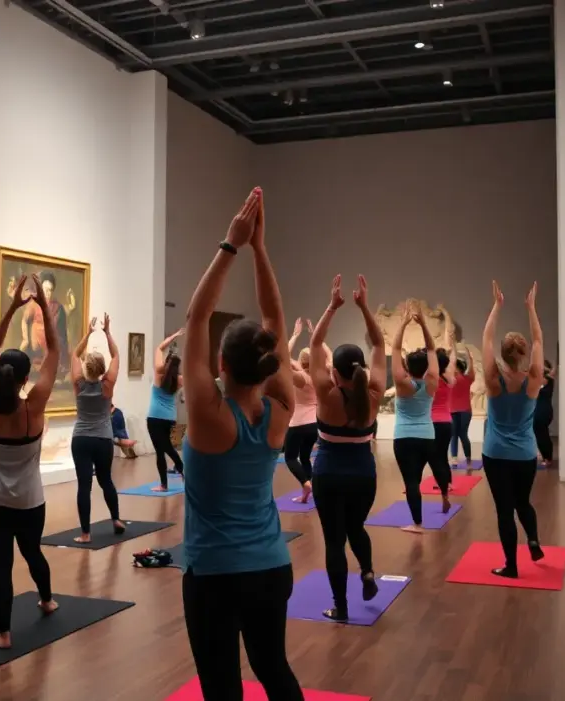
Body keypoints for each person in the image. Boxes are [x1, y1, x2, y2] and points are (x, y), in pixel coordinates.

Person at [181, 188, 303, 701]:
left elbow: (195, 319)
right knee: (274, 668)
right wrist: (260, 248)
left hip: (214, 574)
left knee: (222, 687)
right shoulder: (279, 413)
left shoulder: (209, 418)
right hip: (271, 567)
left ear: (222, 367)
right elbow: (275, 320)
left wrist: (231, 246)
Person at [0, 273, 59, 649]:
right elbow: (55, 353)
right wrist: (40, 303)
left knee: (0, 567)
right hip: (29, 502)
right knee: (32, 553)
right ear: (26, 377)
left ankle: (4, 634)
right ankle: (47, 599)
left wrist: (11, 306)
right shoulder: (34, 408)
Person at [308, 274, 386, 621]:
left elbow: (314, 342)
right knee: (356, 527)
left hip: (328, 476)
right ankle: (367, 571)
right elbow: (381, 347)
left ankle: (340, 607)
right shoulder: (373, 395)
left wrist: (332, 306)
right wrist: (364, 307)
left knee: (334, 541)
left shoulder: (326, 395)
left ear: (334, 372)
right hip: (363, 476)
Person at [481, 281, 546, 578]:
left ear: (504, 354)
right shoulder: (534, 380)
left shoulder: (494, 380)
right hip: (524, 454)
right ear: (522, 354)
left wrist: (497, 305)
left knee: (504, 510)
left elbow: (486, 340)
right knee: (523, 502)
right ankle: (532, 540)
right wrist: (531, 308)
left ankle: (511, 565)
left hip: (496, 454)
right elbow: (539, 340)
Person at [392, 303, 449, 533]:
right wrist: (424, 325)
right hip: (427, 436)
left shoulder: (402, 383)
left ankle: (417, 523)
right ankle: (445, 495)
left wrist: (404, 323)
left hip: (404, 437)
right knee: (436, 466)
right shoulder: (432, 381)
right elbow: (433, 351)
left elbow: (395, 349)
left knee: (412, 481)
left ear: (408, 365)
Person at [70, 314, 123, 543]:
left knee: (84, 485)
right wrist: (107, 331)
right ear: (101, 369)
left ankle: (85, 534)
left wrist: (89, 333)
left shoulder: (78, 384)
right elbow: (117, 355)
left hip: (81, 438)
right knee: (106, 480)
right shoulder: (107, 385)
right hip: (103, 439)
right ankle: (116, 520)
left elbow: (74, 353)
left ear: (86, 367)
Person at [284, 318, 320, 503]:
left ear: (301, 361)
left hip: (298, 423)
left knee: (290, 457)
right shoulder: (318, 374)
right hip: (314, 424)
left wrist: (296, 335)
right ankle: (308, 492)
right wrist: (314, 336)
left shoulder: (300, 377)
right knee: (305, 457)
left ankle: (306, 483)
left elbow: (282, 356)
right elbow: (320, 354)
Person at [146, 329, 185, 491]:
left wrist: (172, 337)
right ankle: (180, 469)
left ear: (166, 363)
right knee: (166, 446)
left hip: (155, 416)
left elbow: (159, 349)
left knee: (160, 450)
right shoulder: (180, 380)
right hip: (169, 417)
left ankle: (164, 484)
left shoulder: (158, 373)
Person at [430, 343, 456, 486]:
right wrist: (452, 351)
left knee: (436, 456)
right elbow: (451, 363)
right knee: (443, 455)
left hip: (435, 423)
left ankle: (442, 483)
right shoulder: (449, 379)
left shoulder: (432, 380)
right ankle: (448, 482)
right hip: (447, 422)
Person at [449, 348, 477, 467]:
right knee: (455, 434)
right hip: (456, 411)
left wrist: (469, 357)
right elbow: (452, 364)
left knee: (461, 434)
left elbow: (470, 369)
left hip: (463, 411)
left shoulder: (464, 378)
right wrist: (468, 357)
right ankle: (457, 458)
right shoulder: (452, 379)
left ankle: (467, 459)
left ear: (459, 368)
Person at [534, 360, 557, 466]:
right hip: (539, 410)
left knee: (543, 435)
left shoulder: (547, 379)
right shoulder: (543, 380)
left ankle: (547, 458)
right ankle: (545, 456)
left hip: (543, 410)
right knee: (540, 433)